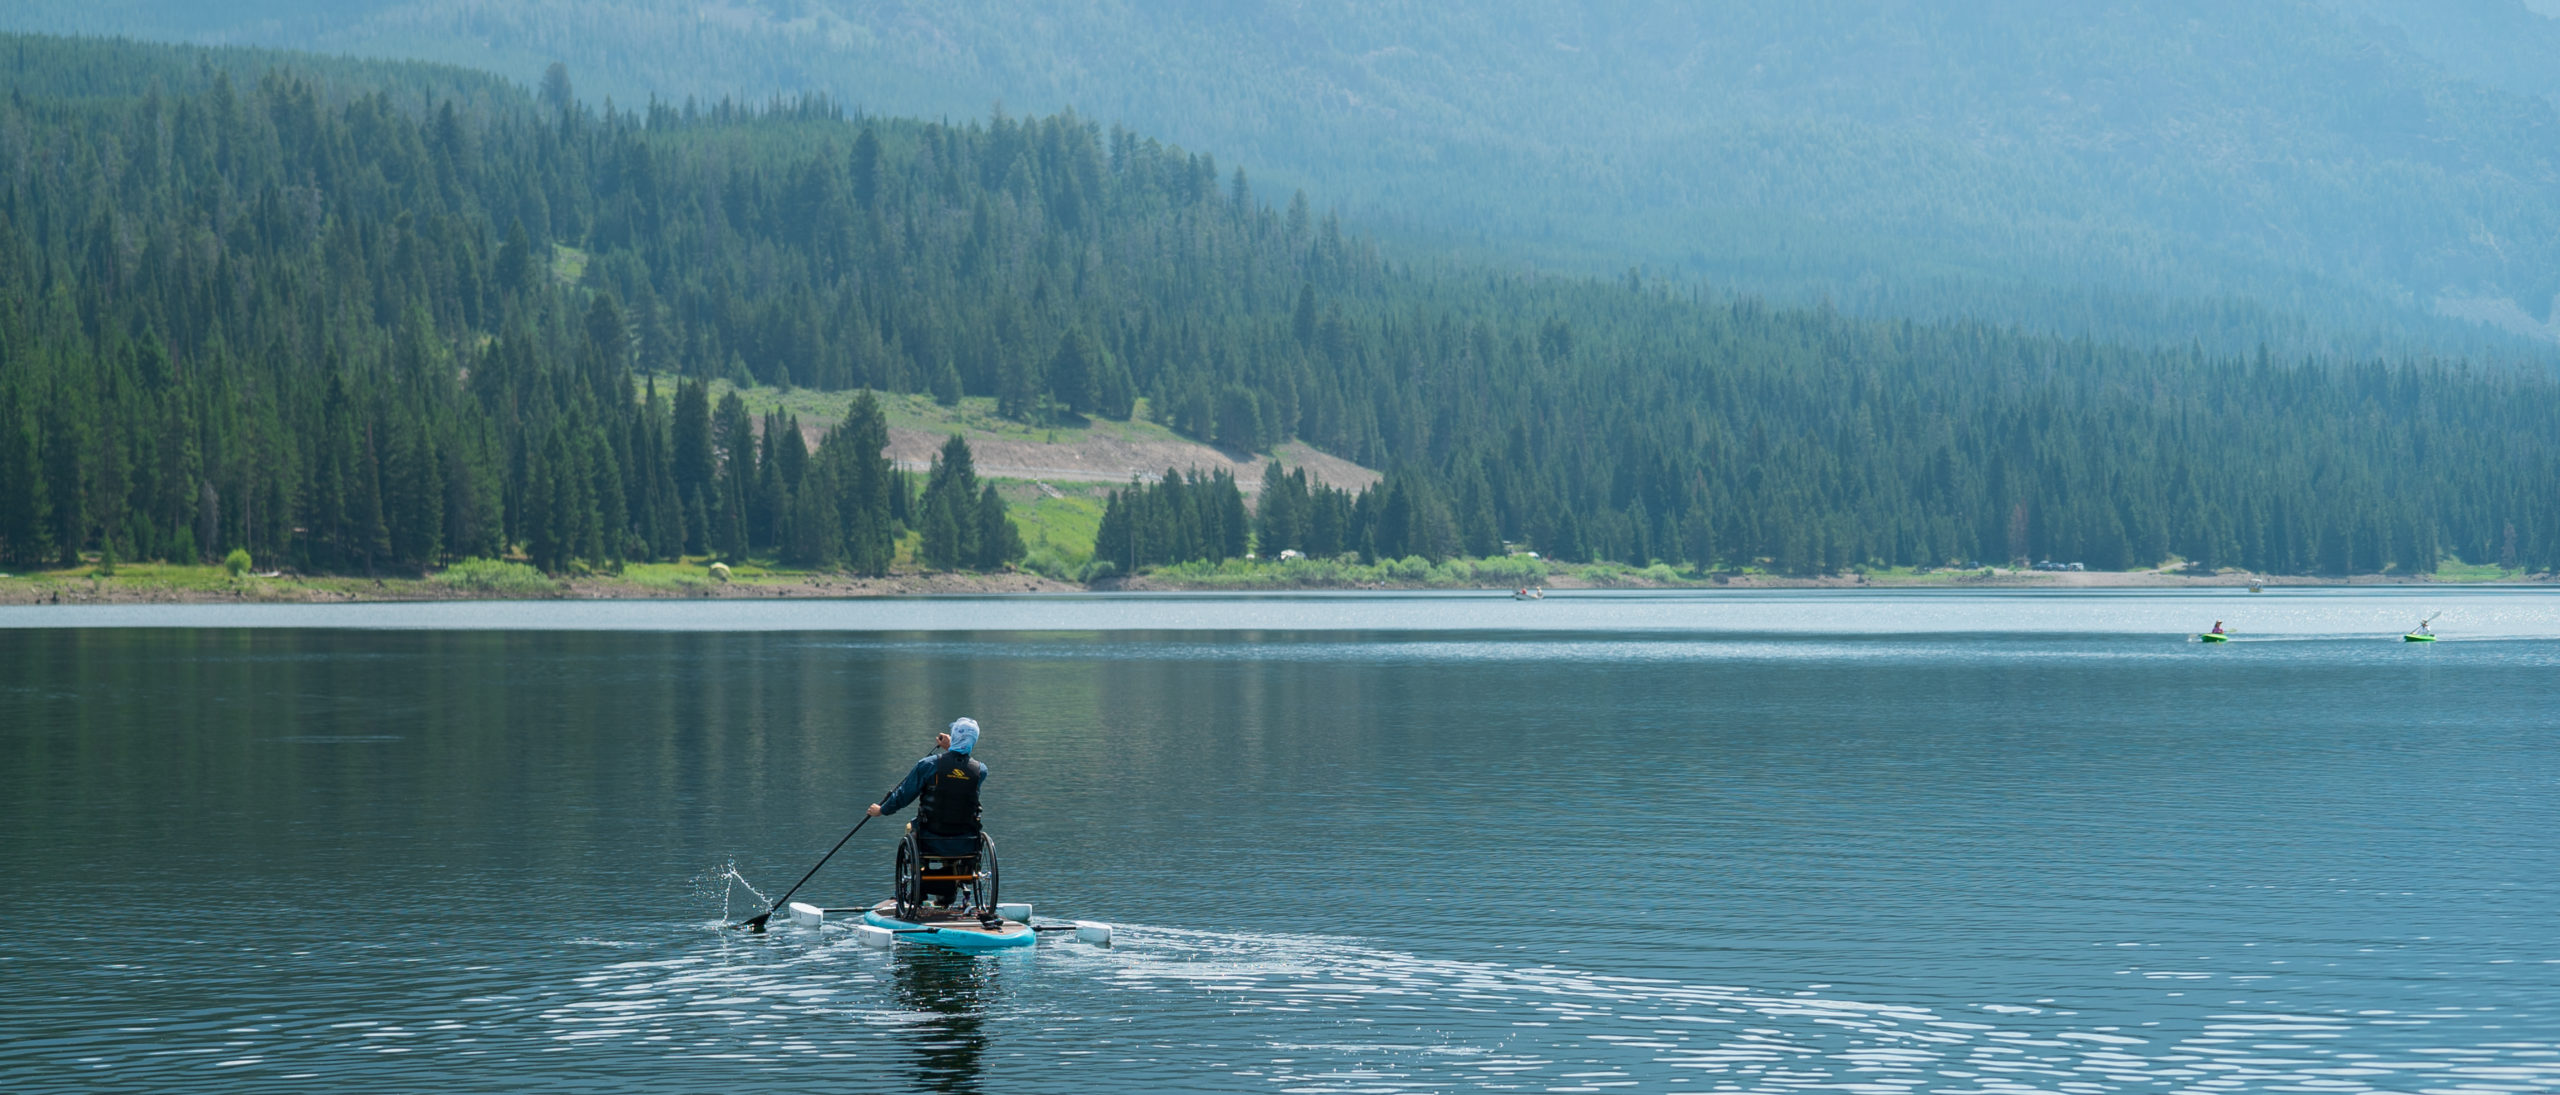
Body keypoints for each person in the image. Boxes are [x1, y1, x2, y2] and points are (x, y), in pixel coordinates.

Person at [869, 717, 988, 907]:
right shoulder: (980, 771)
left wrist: (882, 810)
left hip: (931, 835)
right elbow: (959, 773)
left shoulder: (928, 765)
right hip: (966, 839)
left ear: (955, 737)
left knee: (911, 828)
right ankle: (949, 891)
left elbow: (903, 795)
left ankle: (918, 891)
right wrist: (952, 749)